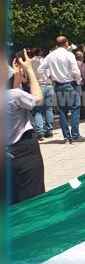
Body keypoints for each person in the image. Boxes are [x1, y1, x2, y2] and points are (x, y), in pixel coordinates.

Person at [7, 50, 45, 204]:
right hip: (24, 150)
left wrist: (16, 79)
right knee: (32, 198)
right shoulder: (12, 97)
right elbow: (37, 98)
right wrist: (29, 69)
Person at [37, 36, 85, 143]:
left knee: (63, 111)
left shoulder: (50, 56)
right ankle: (75, 135)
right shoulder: (69, 54)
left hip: (59, 85)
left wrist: (49, 80)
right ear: (66, 43)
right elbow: (75, 70)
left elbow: (40, 69)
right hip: (70, 84)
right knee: (75, 109)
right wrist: (78, 81)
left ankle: (66, 136)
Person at [30, 48, 54, 140]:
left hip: (37, 86)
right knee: (48, 109)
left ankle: (40, 132)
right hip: (48, 85)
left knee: (37, 110)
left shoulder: (30, 62)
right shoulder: (45, 60)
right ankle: (49, 130)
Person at [74, 50, 85, 120]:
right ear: (82, 57)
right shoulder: (82, 64)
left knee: (76, 100)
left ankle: (76, 113)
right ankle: (82, 114)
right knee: (84, 100)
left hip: (74, 84)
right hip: (82, 84)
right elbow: (84, 76)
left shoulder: (72, 64)